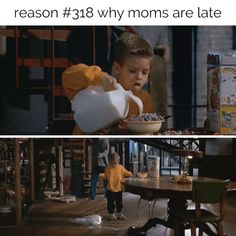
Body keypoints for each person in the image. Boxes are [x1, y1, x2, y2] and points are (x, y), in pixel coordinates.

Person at [62, 32, 154, 134]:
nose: (139, 77)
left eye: (145, 72)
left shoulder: (145, 99)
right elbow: (68, 76)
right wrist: (100, 77)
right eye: (132, 71)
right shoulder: (102, 87)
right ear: (117, 68)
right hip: (84, 146)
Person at [99, 152, 132, 220]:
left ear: (118, 161)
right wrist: (102, 176)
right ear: (110, 162)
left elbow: (126, 173)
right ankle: (111, 214)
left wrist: (130, 174)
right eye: (112, 163)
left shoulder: (120, 168)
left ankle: (119, 213)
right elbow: (106, 176)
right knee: (110, 203)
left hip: (119, 188)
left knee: (119, 202)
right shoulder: (108, 168)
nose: (114, 164)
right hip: (110, 189)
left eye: (115, 163)